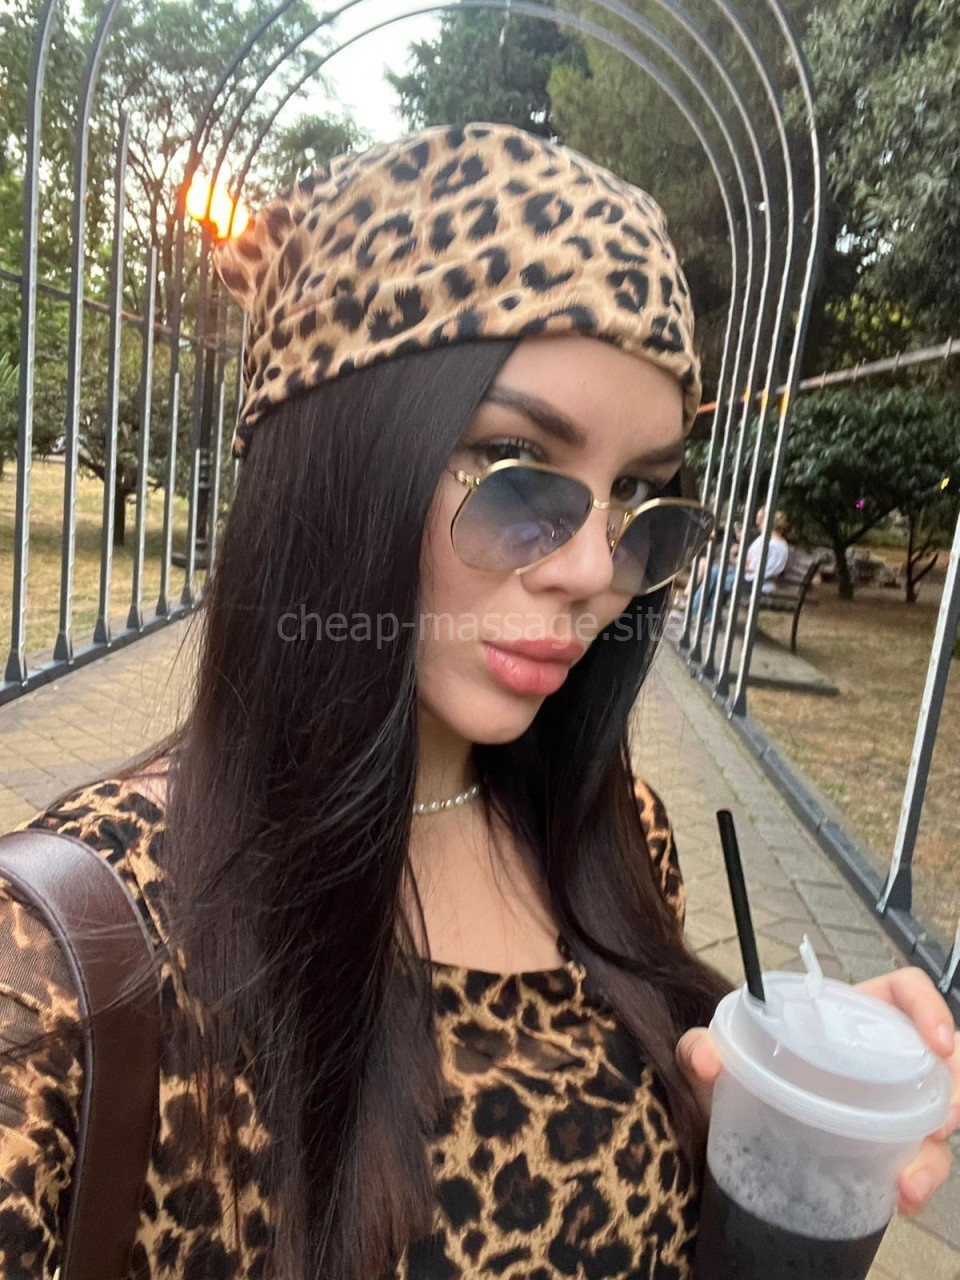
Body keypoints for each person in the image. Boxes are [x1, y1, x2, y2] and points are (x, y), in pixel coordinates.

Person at [1, 122, 956, 1280]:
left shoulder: (616, 837)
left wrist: (763, 1117)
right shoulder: (62, 969)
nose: (593, 568)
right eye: (517, 462)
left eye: (639, 491)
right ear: (339, 460)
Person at [690, 504, 790, 618]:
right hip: (749, 576)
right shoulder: (767, 539)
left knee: (717, 576)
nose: (759, 523)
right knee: (715, 571)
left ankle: (699, 610)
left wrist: (739, 559)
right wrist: (739, 554)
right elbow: (750, 558)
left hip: (755, 582)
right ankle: (706, 613)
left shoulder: (774, 546)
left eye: (763, 520)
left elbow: (755, 567)